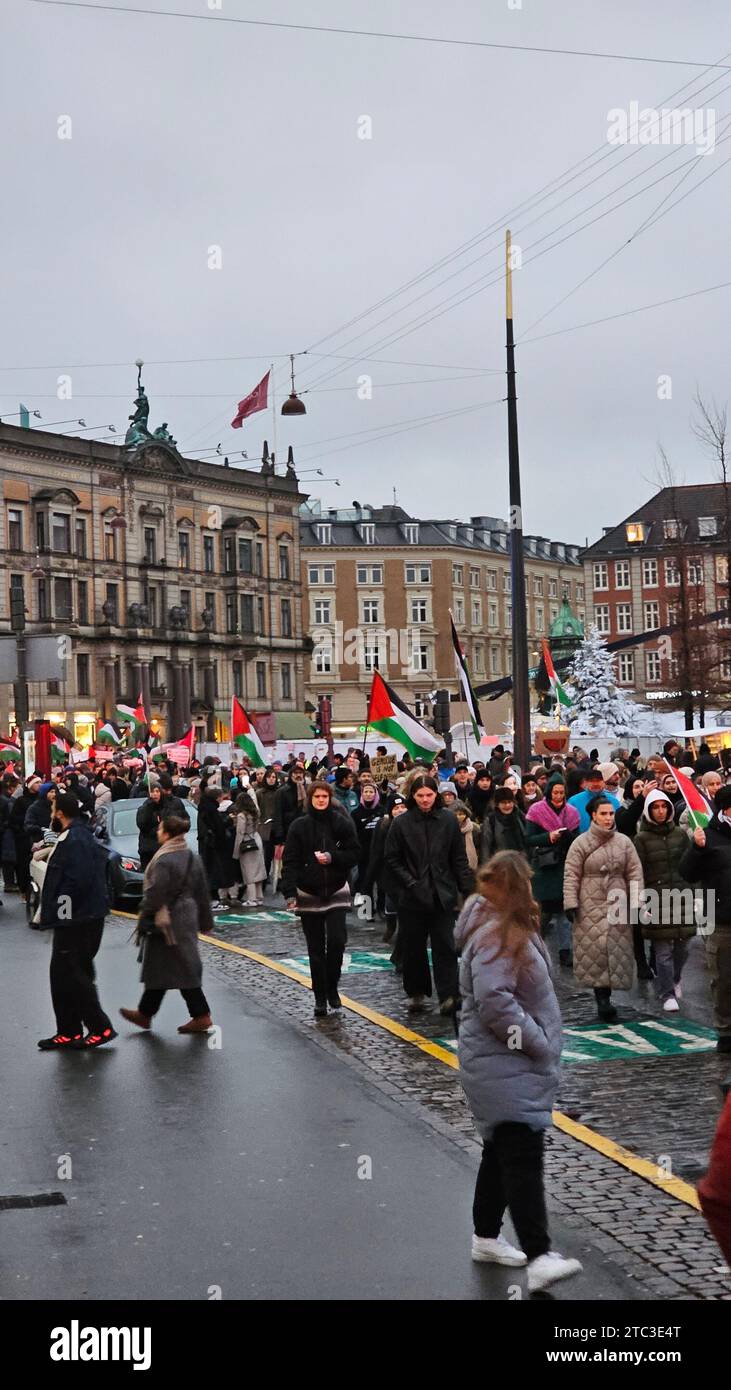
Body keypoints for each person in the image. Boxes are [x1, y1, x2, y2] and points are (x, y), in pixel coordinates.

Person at [455, 853, 582, 1292]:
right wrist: (535, 1042)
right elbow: (495, 1001)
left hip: (500, 1064)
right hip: (505, 1065)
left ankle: (486, 1236)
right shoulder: (497, 933)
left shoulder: (499, 926)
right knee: (523, 1152)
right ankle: (539, 1253)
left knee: (501, 1149)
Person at [384, 773, 473, 1015]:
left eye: (429, 795)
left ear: (436, 796)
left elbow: (458, 858)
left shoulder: (448, 821)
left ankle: (449, 995)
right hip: (412, 896)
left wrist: (468, 889)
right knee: (414, 947)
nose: (425, 800)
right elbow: (392, 859)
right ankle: (416, 991)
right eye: (420, 795)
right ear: (413, 796)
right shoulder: (401, 823)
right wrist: (410, 883)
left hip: (442, 894)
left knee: (445, 944)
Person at [120, 812, 215, 1034]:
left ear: (168, 834)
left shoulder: (164, 859)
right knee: (165, 967)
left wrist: (145, 914)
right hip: (187, 916)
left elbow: (155, 893)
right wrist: (205, 921)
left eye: (160, 829)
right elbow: (202, 891)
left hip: (168, 920)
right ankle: (145, 1013)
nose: (157, 832)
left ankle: (201, 1015)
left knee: (180, 967)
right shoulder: (191, 856)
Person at [37, 793, 114, 1050]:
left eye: (52, 810)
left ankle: (99, 1027)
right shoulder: (75, 835)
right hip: (79, 918)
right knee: (64, 975)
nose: (50, 815)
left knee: (73, 974)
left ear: (60, 814)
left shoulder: (76, 838)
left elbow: (75, 883)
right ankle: (68, 1031)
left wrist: (62, 917)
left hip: (77, 921)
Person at [282, 782, 359, 1018]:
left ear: (330, 798)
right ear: (311, 799)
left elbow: (355, 853)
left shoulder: (340, 822)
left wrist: (332, 857)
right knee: (315, 948)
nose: (321, 800)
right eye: (317, 797)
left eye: (325, 796)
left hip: (336, 889)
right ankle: (320, 996)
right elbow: (291, 860)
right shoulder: (299, 826)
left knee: (337, 942)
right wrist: (289, 892)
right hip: (308, 891)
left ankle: (333, 987)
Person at [563, 795, 643, 1022]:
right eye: (603, 814)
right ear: (593, 816)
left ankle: (610, 990)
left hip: (618, 898)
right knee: (595, 948)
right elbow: (571, 874)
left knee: (616, 946)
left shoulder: (624, 842)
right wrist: (571, 902)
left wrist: (636, 901)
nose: (608, 818)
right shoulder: (580, 843)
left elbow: (634, 872)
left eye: (611, 814)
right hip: (590, 899)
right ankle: (602, 996)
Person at [680, 784, 731, 1053]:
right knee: (724, 979)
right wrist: (696, 849)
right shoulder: (707, 836)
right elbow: (687, 873)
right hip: (721, 919)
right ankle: (725, 1029)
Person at [634, 790, 695, 1011]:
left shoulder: (680, 834)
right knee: (662, 950)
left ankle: (675, 978)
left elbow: (690, 865)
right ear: (649, 811)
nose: (660, 811)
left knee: (684, 946)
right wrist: (640, 902)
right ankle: (666, 991)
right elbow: (636, 871)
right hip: (655, 898)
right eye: (655, 807)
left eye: (664, 806)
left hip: (682, 896)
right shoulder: (640, 839)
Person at [524, 774, 580, 968]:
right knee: (543, 913)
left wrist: (566, 837)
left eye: (561, 793)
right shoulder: (536, 811)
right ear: (548, 793)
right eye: (555, 792)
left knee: (565, 914)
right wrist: (549, 837)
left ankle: (565, 952)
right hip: (544, 867)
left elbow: (576, 839)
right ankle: (534, 950)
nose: (558, 796)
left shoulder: (571, 813)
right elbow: (529, 839)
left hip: (565, 865)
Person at [196, 788, 240, 908]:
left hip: (207, 844)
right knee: (213, 872)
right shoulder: (211, 809)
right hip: (212, 845)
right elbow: (218, 827)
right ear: (217, 797)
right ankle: (213, 898)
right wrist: (229, 820)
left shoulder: (204, 807)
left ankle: (215, 897)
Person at [232, 791, 266, 906]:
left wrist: (236, 852)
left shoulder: (242, 816)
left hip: (247, 842)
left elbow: (240, 833)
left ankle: (252, 899)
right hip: (257, 839)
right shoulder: (255, 813)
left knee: (249, 871)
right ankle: (259, 896)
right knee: (259, 870)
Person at [351, 782, 386, 892]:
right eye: (366, 791)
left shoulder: (382, 811)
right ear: (362, 794)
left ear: (376, 794)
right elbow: (354, 833)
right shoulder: (356, 813)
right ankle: (368, 907)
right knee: (365, 880)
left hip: (380, 850)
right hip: (363, 851)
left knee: (381, 881)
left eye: (371, 792)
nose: (368, 794)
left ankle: (381, 906)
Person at [568, 765, 621, 833]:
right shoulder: (573, 802)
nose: (595, 784)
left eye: (598, 780)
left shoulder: (614, 801)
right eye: (592, 781)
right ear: (586, 783)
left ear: (604, 782)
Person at [480, 786, 527, 861]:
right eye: (503, 803)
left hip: (522, 861)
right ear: (497, 804)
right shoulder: (491, 820)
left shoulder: (520, 816)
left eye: (509, 802)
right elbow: (486, 846)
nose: (507, 805)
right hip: (500, 862)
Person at [257, 767, 280, 883]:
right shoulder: (260, 793)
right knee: (266, 855)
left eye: (274, 777)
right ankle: (264, 877)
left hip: (278, 827)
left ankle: (278, 878)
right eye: (269, 777)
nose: (271, 779)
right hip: (265, 828)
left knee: (279, 855)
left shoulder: (279, 792)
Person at [136, 785, 166, 871]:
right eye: (153, 792)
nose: (155, 794)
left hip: (162, 850)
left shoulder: (164, 808)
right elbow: (142, 824)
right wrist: (149, 807)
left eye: (157, 791)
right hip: (148, 850)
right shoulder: (144, 808)